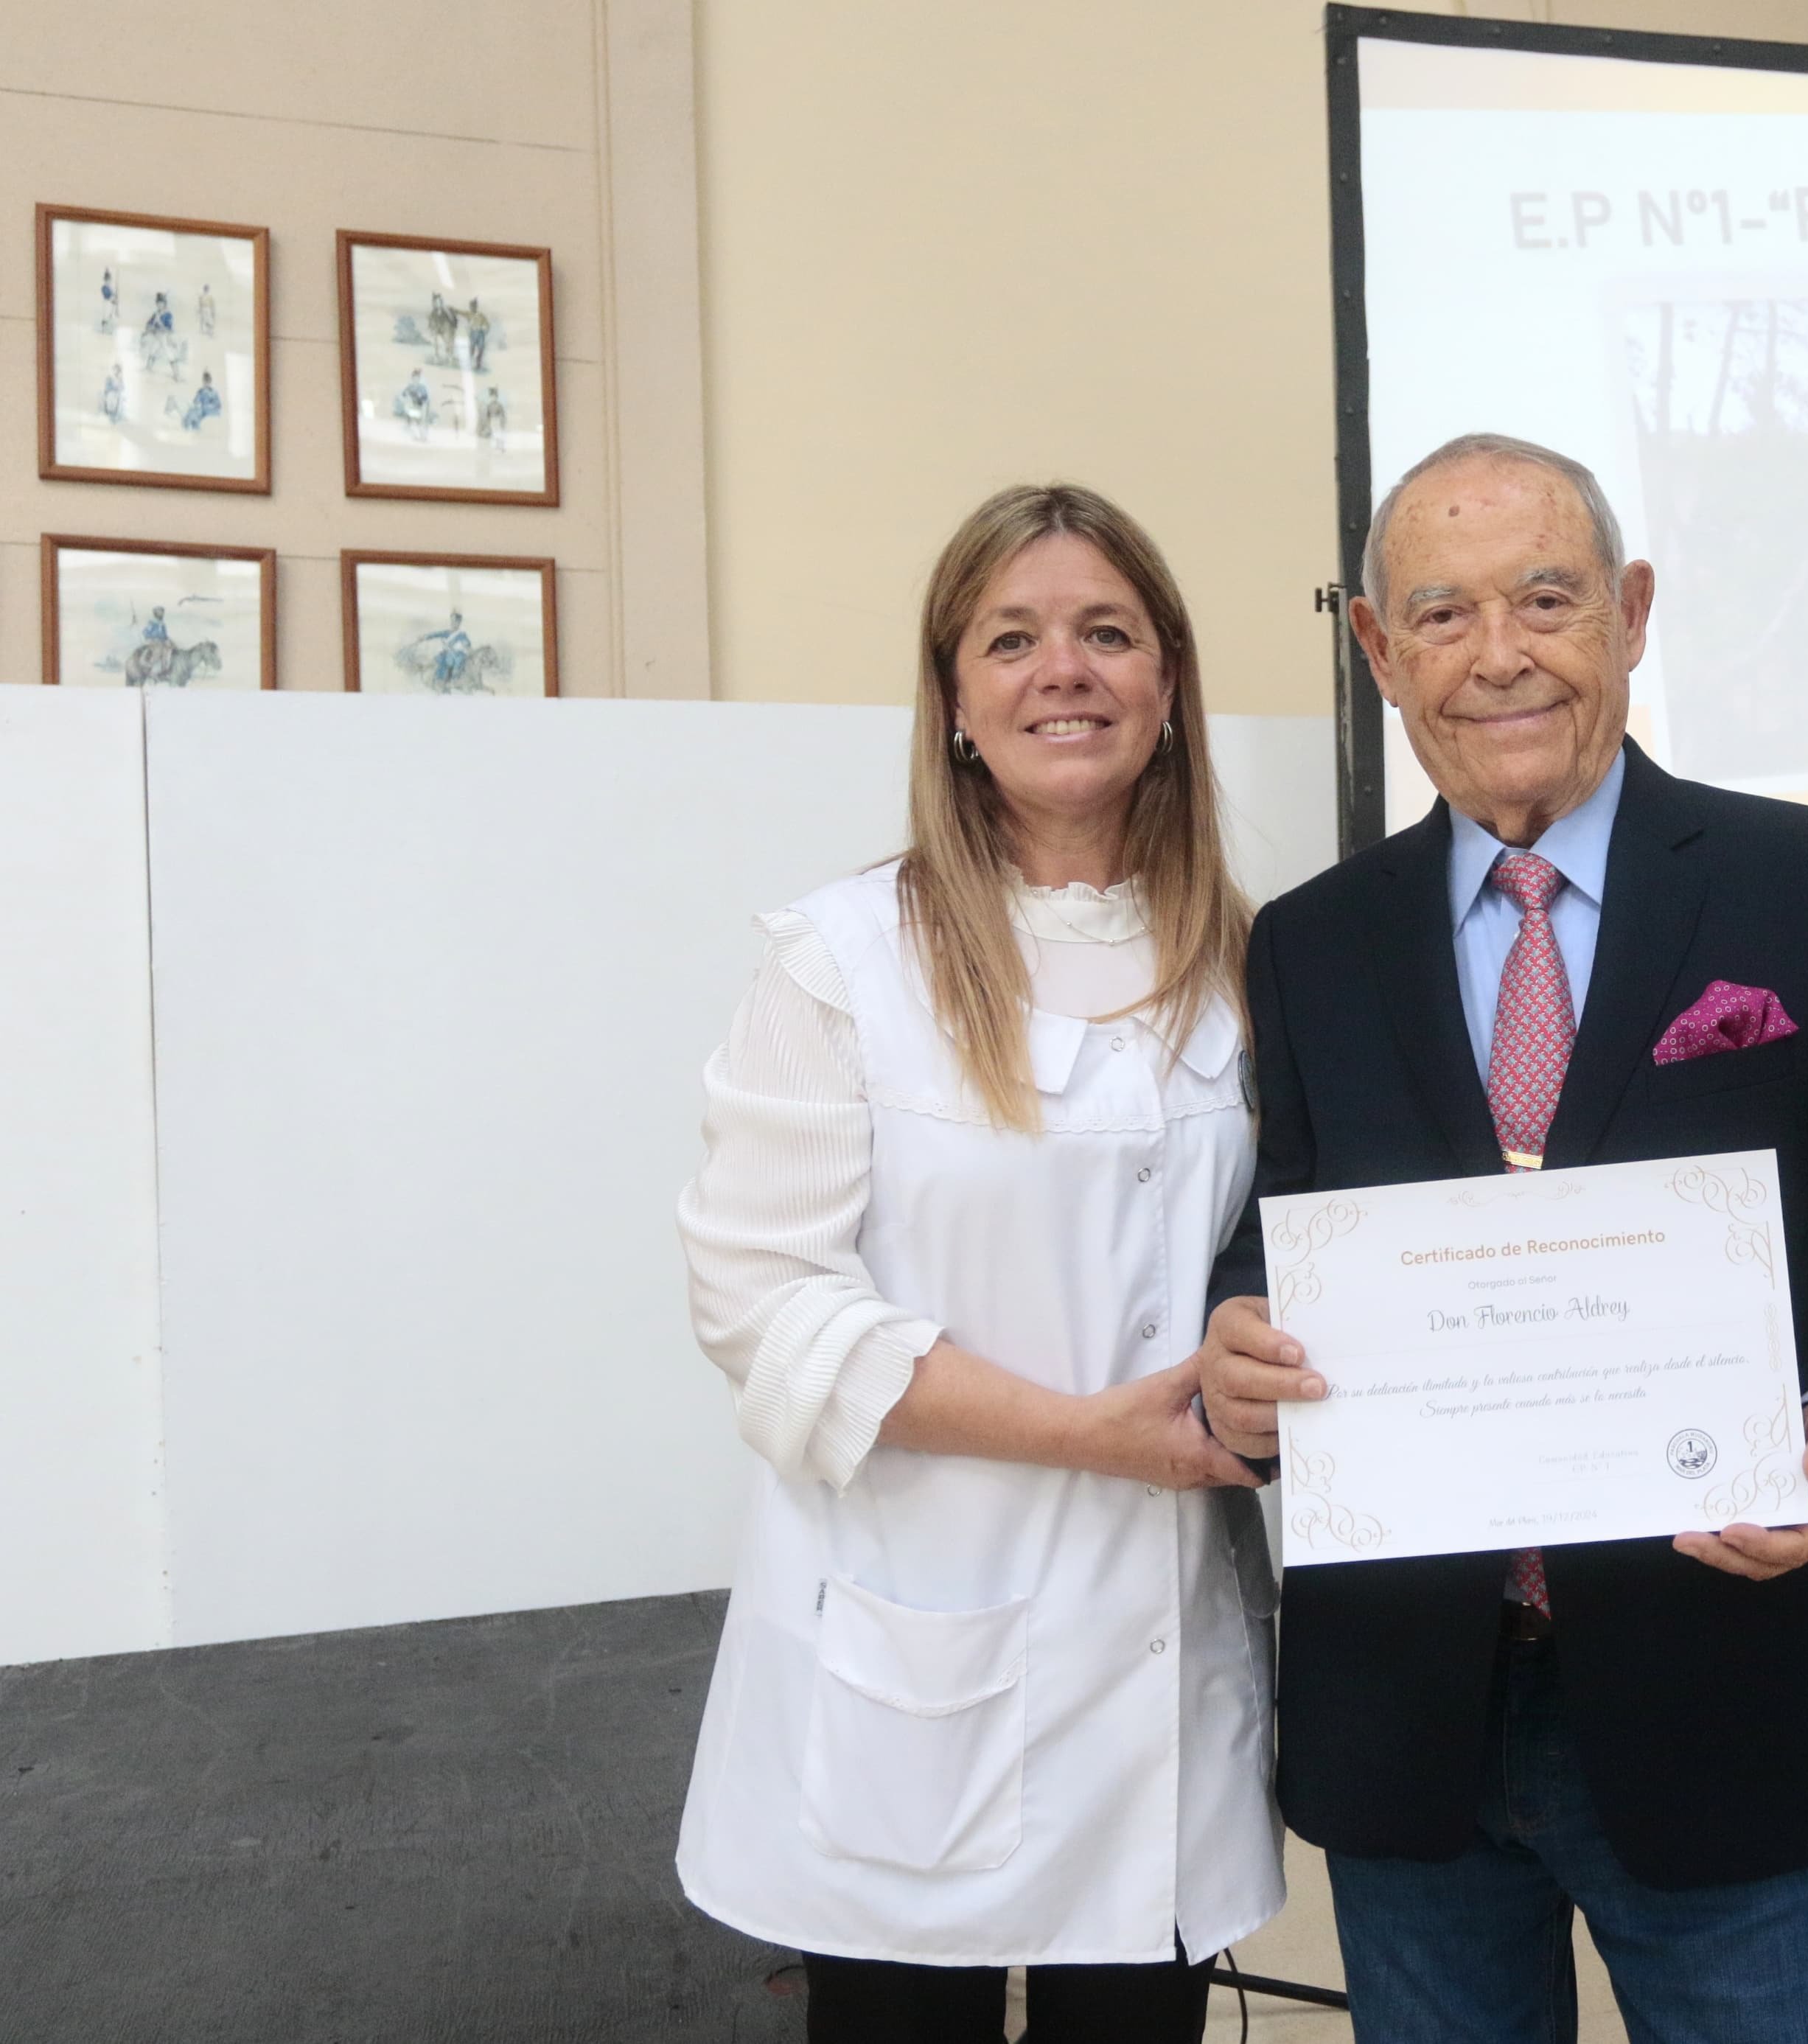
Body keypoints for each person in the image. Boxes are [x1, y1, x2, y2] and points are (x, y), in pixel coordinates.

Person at [1198, 433, 1808, 2044]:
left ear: (1631, 614)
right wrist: (1240, 1347)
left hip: (1730, 1677)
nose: (1496, 654)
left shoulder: (1807, 884)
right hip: (1413, 1706)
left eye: (1546, 598)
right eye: (1439, 613)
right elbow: (1277, 1241)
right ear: (1376, 650)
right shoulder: (1309, 943)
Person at [674, 483, 1279, 2043]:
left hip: (1158, 1666)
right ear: (952, 700)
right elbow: (764, 1304)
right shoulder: (840, 961)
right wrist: (1086, 1434)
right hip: (912, 1650)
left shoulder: (1245, 958)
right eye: (1010, 639)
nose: (1060, 671)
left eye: (1105, 634)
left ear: (1166, 685)